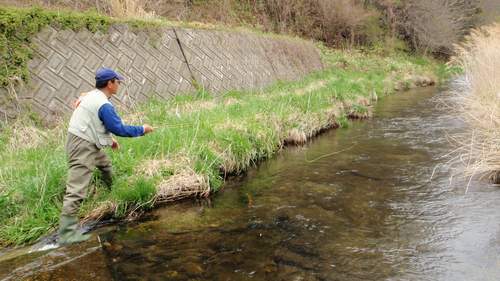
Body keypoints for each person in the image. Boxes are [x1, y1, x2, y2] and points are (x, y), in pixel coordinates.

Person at [58, 67, 154, 245]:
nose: (119, 85)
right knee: (77, 189)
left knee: (105, 165)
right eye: (117, 82)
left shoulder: (92, 95)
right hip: (82, 145)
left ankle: (114, 192)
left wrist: (110, 141)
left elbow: (94, 121)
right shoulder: (104, 105)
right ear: (110, 83)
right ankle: (66, 233)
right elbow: (119, 128)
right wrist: (143, 129)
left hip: (85, 140)